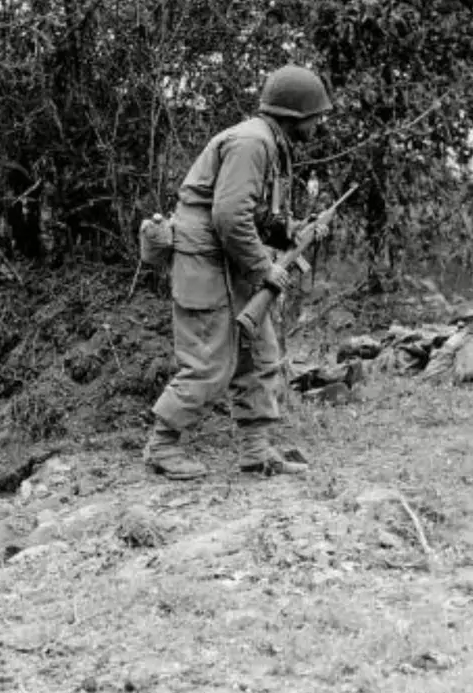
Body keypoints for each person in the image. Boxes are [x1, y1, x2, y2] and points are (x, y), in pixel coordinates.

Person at [142, 65, 333, 482]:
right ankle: (162, 445)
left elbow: (253, 212)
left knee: (259, 353)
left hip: (231, 257)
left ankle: (256, 451)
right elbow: (229, 217)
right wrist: (265, 267)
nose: (319, 124)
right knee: (209, 359)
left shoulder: (271, 143)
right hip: (206, 259)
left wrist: (292, 232)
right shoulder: (252, 143)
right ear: (296, 114)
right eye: (316, 116)